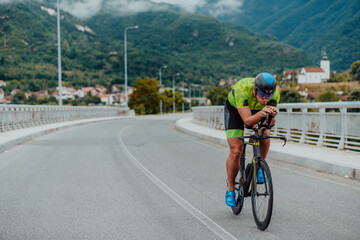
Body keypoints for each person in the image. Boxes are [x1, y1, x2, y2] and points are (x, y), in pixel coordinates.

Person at [224, 72, 280, 207]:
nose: (265, 99)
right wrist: (261, 113)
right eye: (262, 95)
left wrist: (271, 117)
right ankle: (230, 189)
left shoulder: (275, 93)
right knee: (236, 150)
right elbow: (248, 122)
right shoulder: (242, 89)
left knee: (265, 132)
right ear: (255, 90)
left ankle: (260, 167)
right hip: (236, 112)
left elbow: (271, 124)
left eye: (268, 96)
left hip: (258, 111)